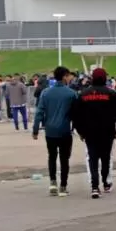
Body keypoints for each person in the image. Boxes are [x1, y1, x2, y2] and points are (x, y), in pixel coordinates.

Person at [75, 67, 116, 198]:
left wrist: (80, 131)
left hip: (90, 132)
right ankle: (106, 182)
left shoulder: (83, 94)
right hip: (107, 131)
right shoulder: (112, 94)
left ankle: (95, 186)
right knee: (106, 158)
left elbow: (77, 115)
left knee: (92, 159)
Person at [32, 66, 77, 197]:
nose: (70, 78)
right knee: (64, 158)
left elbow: (39, 112)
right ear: (64, 77)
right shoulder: (71, 94)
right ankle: (63, 186)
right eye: (68, 76)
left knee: (52, 156)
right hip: (64, 130)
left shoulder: (46, 93)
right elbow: (76, 114)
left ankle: (52, 183)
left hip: (50, 131)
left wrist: (35, 129)